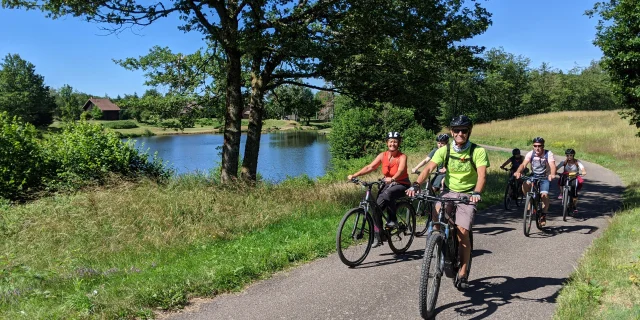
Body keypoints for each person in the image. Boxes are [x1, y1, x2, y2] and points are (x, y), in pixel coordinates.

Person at [406, 115, 489, 289]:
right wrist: (416, 184)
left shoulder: (477, 151)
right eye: (456, 130)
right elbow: (429, 168)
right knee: (437, 219)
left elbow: (482, 175)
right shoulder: (446, 150)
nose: (460, 133)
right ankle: (439, 245)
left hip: (468, 195)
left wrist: (476, 192)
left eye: (464, 130)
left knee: (462, 231)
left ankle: (463, 271)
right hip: (448, 192)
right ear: (451, 132)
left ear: (469, 132)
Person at [348, 132, 410, 248]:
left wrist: (393, 179)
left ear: (399, 143)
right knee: (376, 209)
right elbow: (370, 167)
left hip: (401, 184)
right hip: (387, 183)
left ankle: (393, 219)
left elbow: (401, 170)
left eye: (395, 141)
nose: (393, 143)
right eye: (391, 141)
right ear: (387, 143)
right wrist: (355, 175)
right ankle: (379, 235)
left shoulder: (402, 157)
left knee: (389, 193)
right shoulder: (383, 155)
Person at [513, 137, 557, 226]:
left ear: (543, 146)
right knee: (525, 184)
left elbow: (552, 165)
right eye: (535, 146)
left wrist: (552, 174)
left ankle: (543, 215)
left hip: (545, 177)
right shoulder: (531, 153)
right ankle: (529, 200)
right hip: (534, 175)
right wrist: (518, 172)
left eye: (539, 146)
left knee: (544, 195)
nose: (537, 148)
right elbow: (523, 164)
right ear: (533, 146)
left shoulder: (548, 154)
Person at [556, 148, 587, 214]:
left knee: (574, 192)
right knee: (561, 178)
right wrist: (555, 171)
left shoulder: (577, 162)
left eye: (571, 155)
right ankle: (561, 192)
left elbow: (582, 168)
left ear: (573, 155)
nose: (569, 157)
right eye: (567, 155)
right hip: (565, 176)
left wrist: (583, 172)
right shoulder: (564, 162)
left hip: (574, 177)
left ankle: (575, 206)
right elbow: (556, 168)